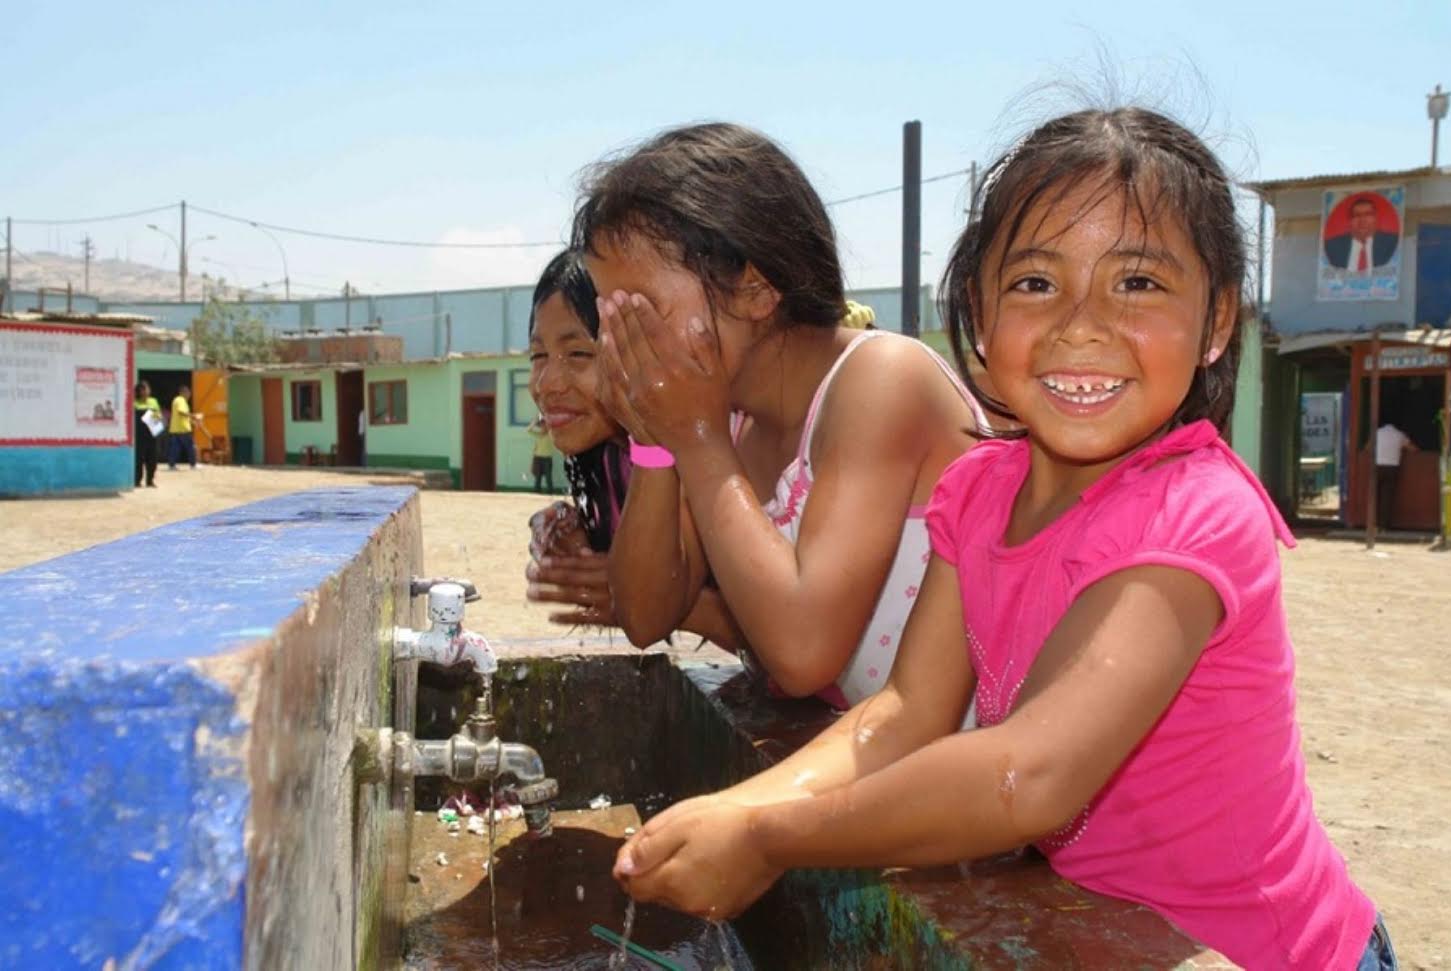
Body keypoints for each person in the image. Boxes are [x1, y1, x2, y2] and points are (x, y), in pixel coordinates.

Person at [611, 108, 1391, 970]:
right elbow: (905, 713)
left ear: (1215, 323)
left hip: (1273, 953)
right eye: (1033, 283)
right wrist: (732, 811)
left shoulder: (1197, 511)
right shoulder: (978, 489)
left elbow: (1028, 774)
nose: (1080, 324)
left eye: (1136, 283)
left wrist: (768, 836)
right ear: (977, 313)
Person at [577, 122, 991, 711]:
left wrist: (696, 439)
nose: (620, 342)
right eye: (608, 317)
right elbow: (645, 614)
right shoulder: (734, 423)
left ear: (755, 290)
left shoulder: (882, 380)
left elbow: (803, 652)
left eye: (641, 314)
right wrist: (653, 442)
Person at [522, 248, 743, 648]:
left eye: (578, 354)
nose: (547, 383)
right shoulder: (611, 456)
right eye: (539, 355)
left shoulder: (707, 451)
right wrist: (582, 534)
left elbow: (786, 638)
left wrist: (635, 594)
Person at [1325, 195, 1398, 272]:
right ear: (1350, 221)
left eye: (1368, 214)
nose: (1362, 220)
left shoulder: (1391, 243)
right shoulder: (1333, 247)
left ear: (1375, 218)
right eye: (1357, 215)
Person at [1374, 420, 1415, 530]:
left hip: (1377, 466)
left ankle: (1373, 523)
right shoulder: (1399, 434)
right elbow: (1412, 449)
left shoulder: (1377, 433)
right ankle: (1383, 525)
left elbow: (1368, 447)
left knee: (1374, 496)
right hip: (1392, 468)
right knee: (1386, 497)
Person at [133, 380, 161, 488]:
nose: (145, 391)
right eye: (142, 389)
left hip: (152, 434)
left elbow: (159, 416)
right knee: (139, 459)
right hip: (140, 435)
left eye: (146, 388)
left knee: (152, 458)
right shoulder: (135, 403)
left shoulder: (154, 401)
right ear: (138, 391)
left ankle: (150, 481)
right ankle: (137, 481)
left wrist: (155, 416)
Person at [167, 385, 196, 470]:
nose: (189, 394)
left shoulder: (176, 400)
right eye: (188, 392)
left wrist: (191, 421)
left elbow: (182, 416)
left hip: (175, 429)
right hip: (183, 429)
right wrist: (193, 416)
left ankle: (171, 465)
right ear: (182, 392)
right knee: (190, 447)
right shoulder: (181, 400)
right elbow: (181, 412)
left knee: (175, 448)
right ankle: (193, 464)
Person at [526, 415, 556, 493]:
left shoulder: (551, 435)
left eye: (544, 425)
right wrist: (535, 421)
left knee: (548, 477)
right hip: (538, 458)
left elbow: (555, 428)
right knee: (537, 477)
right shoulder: (538, 434)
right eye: (542, 425)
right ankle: (537, 492)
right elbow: (528, 430)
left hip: (547, 458)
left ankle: (550, 492)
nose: (543, 427)